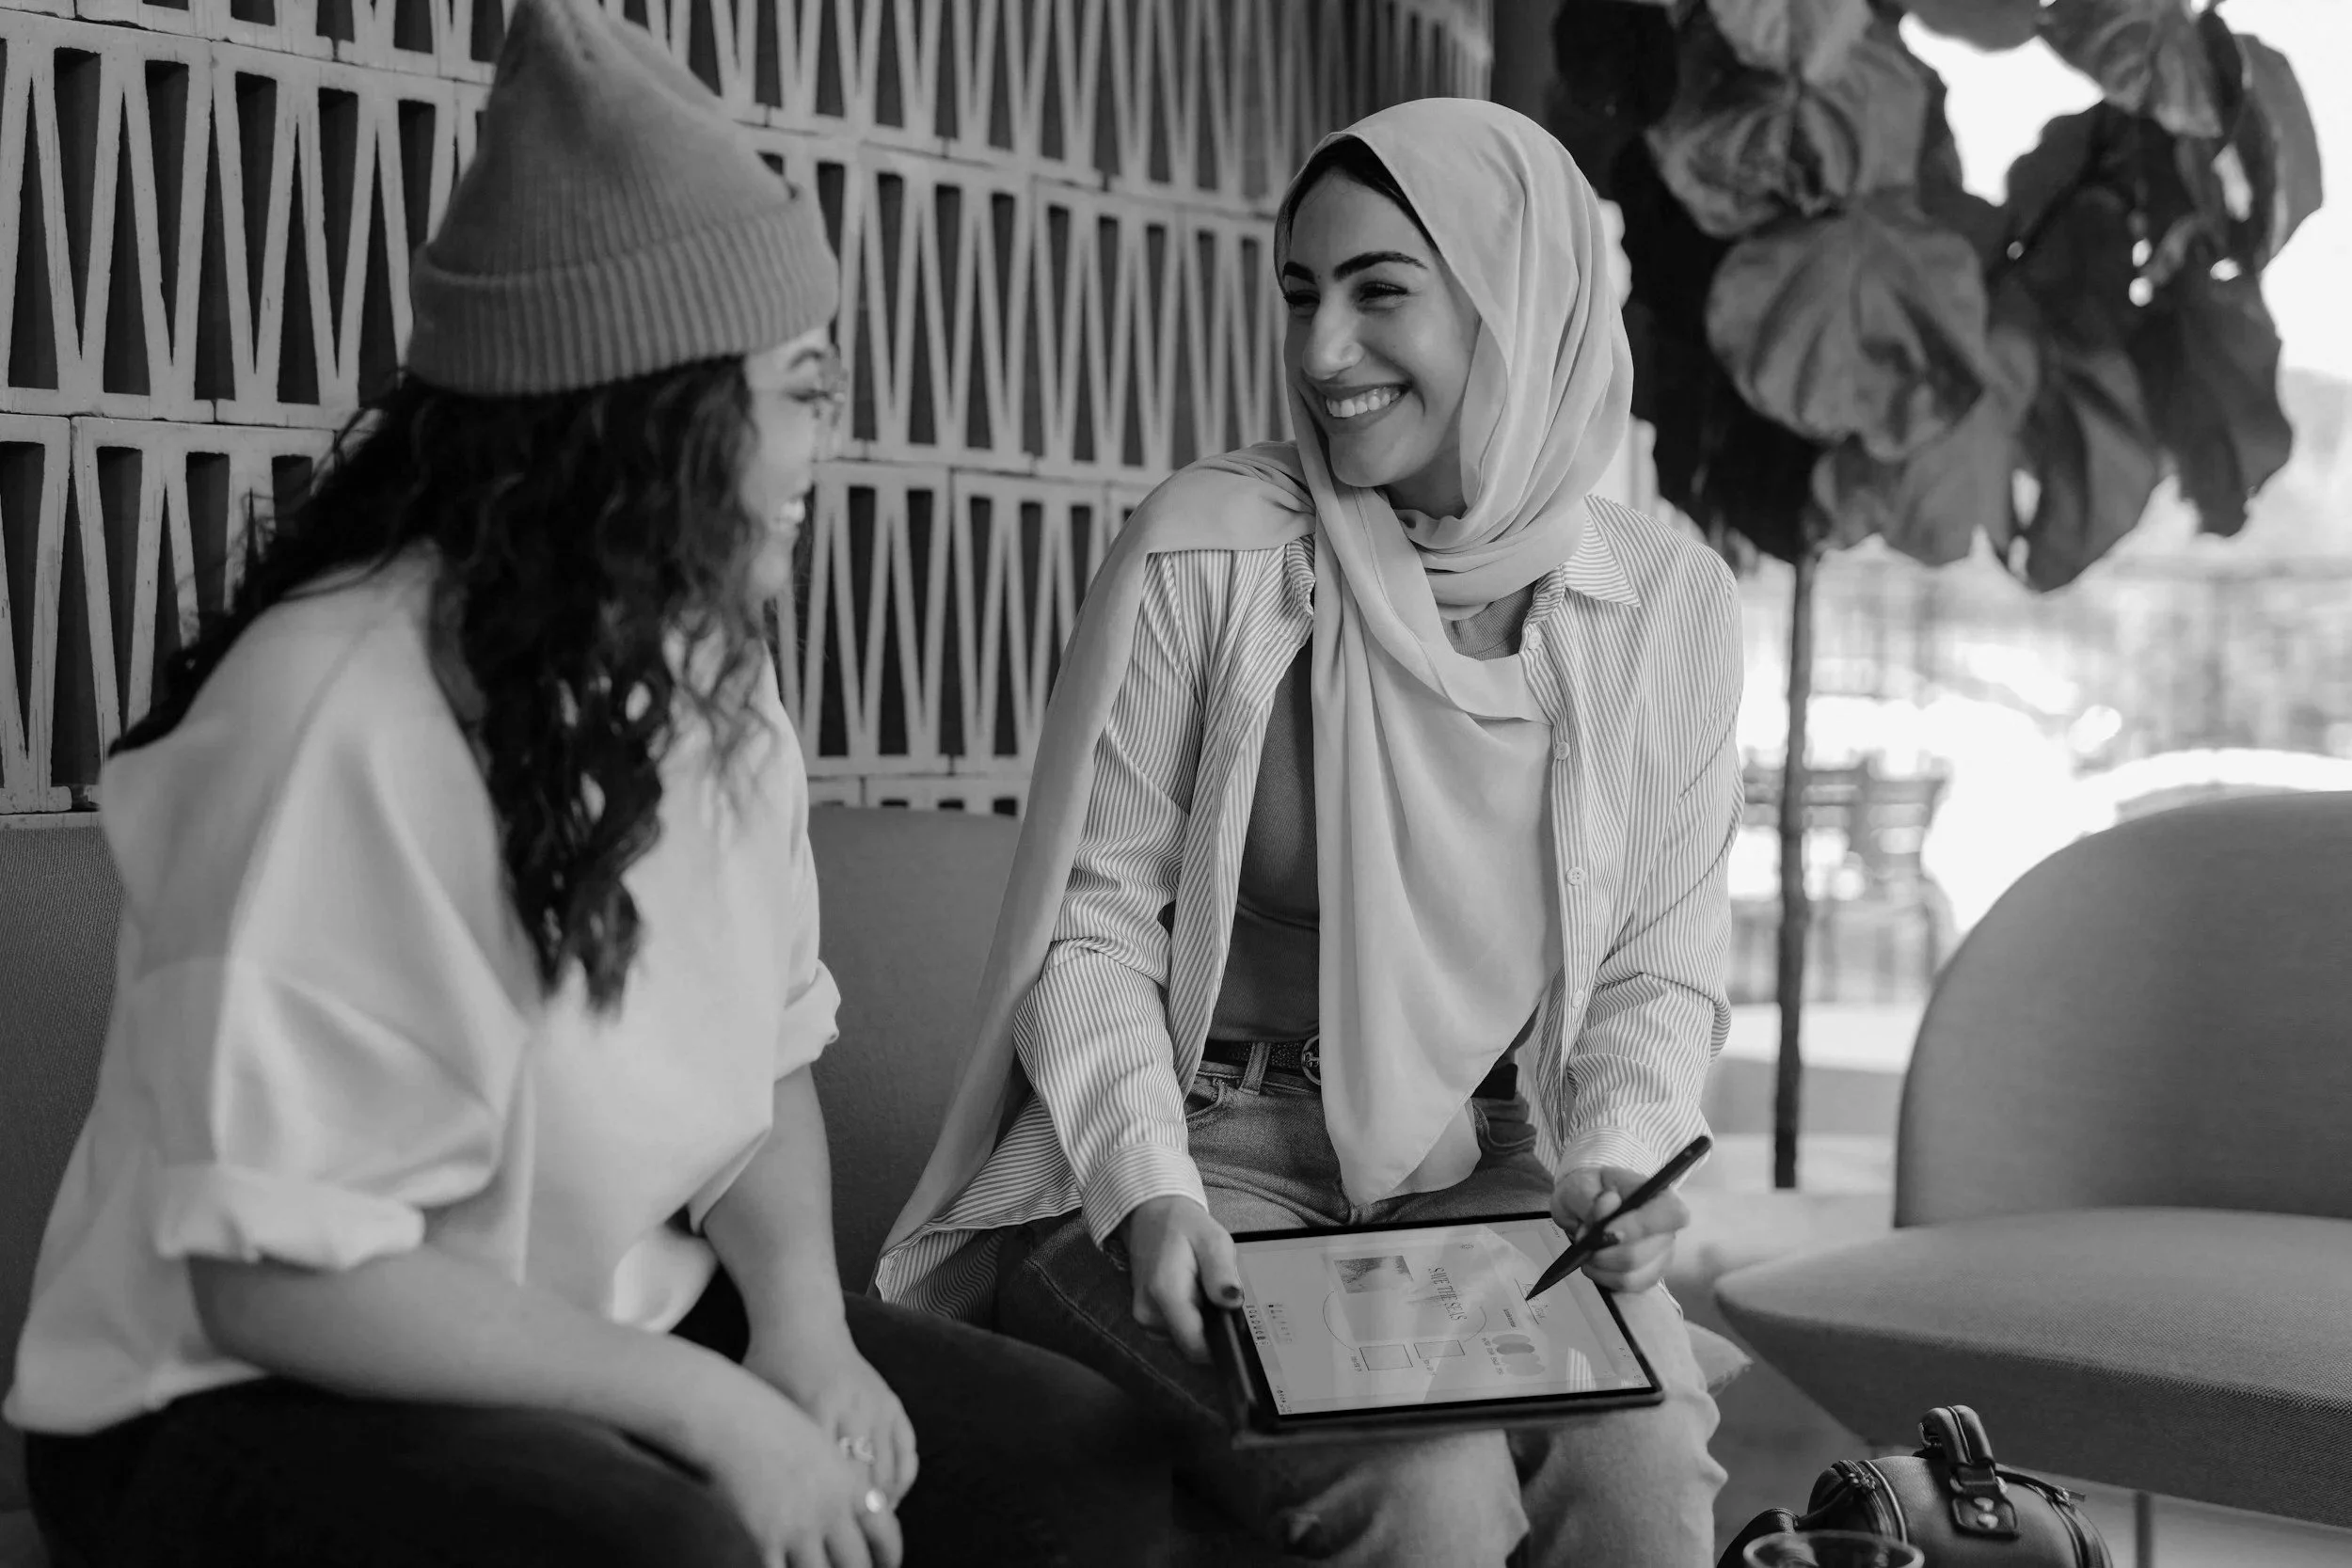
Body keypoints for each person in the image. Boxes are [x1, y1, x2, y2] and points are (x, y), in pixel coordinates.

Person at [2, 2, 1170, 1565]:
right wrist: (711, 1415)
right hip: (230, 1390)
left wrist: (807, 1339)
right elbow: (272, 1274)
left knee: (1092, 1480)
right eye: (805, 386)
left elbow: (760, 1075)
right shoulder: (332, 706)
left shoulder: (712, 667)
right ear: (651, 417)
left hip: (593, 1322)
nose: (833, 437)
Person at [875, 99, 1740, 1567]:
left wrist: (1620, 1157)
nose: (1322, 350)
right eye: (1300, 292)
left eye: (1380, 290)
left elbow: (1658, 968)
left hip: (1491, 1166)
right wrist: (1145, 1184)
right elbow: (1091, 925)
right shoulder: (1211, 549)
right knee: (1430, 1483)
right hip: (1199, 1155)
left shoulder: (1667, 604)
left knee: (1644, 1466)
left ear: (1516, 306)